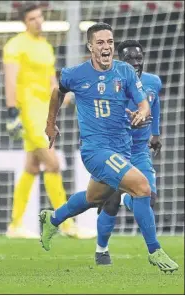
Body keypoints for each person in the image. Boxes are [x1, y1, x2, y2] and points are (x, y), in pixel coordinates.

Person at [39, 22, 178, 273]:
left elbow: (144, 102)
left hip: (123, 149)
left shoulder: (124, 71)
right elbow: (57, 92)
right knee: (142, 188)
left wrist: (142, 112)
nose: (106, 47)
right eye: (100, 42)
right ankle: (155, 250)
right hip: (96, 150)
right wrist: (51, 123)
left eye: (110, 42)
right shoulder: (75, 73)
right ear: (90, 46)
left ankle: (53, 218)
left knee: (94, 198)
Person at [2, 3, 84, 239]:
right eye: (32, 18)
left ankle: (15, 225)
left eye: (39, 17)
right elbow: (11, 80)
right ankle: (67, 224)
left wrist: (65, 96)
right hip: (27, 113)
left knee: (32, 167)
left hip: (44, 112)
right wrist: (11, 112)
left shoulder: (46, 47)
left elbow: (50, 82)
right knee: (53, 164)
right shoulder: (15, 45)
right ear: (24, 22)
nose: (38, 21)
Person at [95, 40, 164, 265]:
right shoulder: (108, 85)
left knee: (149, 198)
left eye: (138, 58)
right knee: (110, 201)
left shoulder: (153, 82)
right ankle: (101, 249)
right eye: (129, 59)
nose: (135, 63)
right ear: (119, 61)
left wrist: (155, 134)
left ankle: (130, 201)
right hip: (114, 149)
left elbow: (154, 104)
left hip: (138, 151)